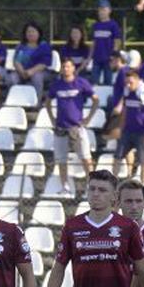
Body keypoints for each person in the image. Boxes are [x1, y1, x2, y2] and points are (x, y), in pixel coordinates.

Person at [44, 59, 98, 196]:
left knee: (86, 158)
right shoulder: (56, 85)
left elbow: (95, 100)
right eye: (63, 66)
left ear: (73, 68)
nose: (66, 69)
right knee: (62, 160)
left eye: (68, 66)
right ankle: (65, 187)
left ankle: (91, 188)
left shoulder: (81, 83)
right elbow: (48, 102)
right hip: (61, 128)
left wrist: (88, 118)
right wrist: (52, 119)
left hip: (77, 127)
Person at [113, 68, 144, 183]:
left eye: (131, 82)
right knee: (117, 157)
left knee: (143, 161)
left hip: (143, 132)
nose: (128, 85)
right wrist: (120, 127)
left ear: (137, 81)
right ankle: (112, 183)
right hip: (128, 130)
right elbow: (125, 110)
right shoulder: (127, 92)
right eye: (127, 83)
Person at [10, 22, 53, 95]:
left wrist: (31, 71)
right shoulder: (21, 46)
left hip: (41, 72)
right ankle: (17, 99)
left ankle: (36, 103)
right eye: (28, 32)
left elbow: (44, 63)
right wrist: (22, 72)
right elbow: (17, 61)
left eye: (33, 31)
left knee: (37, 77)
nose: (30, 34)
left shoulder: (44, 46)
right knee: (12, 78)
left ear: (39, 33)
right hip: (23, 72)